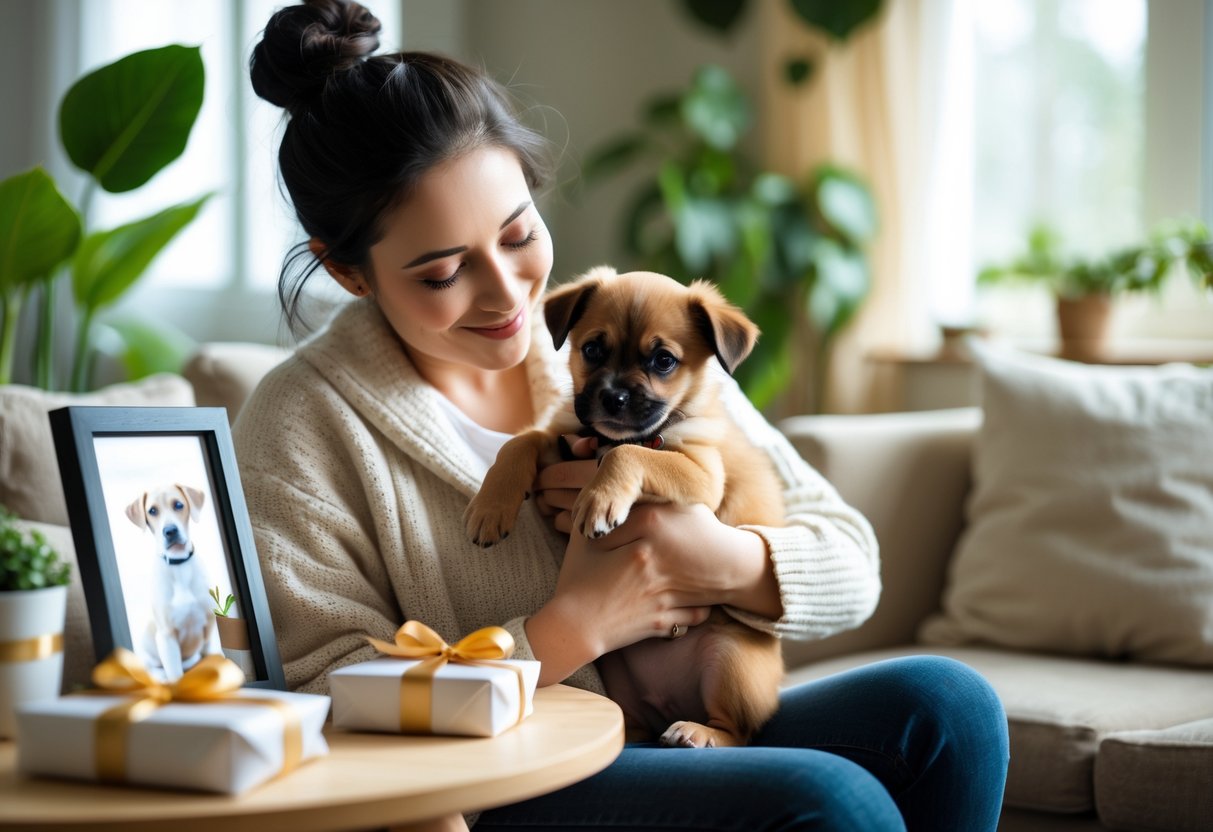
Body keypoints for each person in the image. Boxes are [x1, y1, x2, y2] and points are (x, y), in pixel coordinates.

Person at [239, 1, 1010, 830]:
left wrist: (713, 558)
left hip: (673, 713)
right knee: (826, 801)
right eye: (443, 272)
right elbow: (323, 692)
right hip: (505, 769)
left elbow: (852, 560)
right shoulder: (300, 426)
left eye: (517, 233)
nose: (507, 296)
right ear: (349, 272)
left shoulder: (636, 345)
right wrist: (569, 629)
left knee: (950, 706)